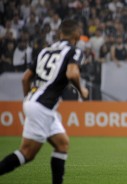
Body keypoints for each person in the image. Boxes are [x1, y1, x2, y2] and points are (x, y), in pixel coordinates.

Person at [0, 19, 89, 183]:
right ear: (77, 35)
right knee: (27, 153)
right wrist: (82, 90)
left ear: (59, 33)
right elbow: (72, 74)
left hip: (35, 102)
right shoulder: (74, 51)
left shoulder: (44, 51)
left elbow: (25, 78)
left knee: (62, 144)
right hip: (43, 106)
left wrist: (29, 100)